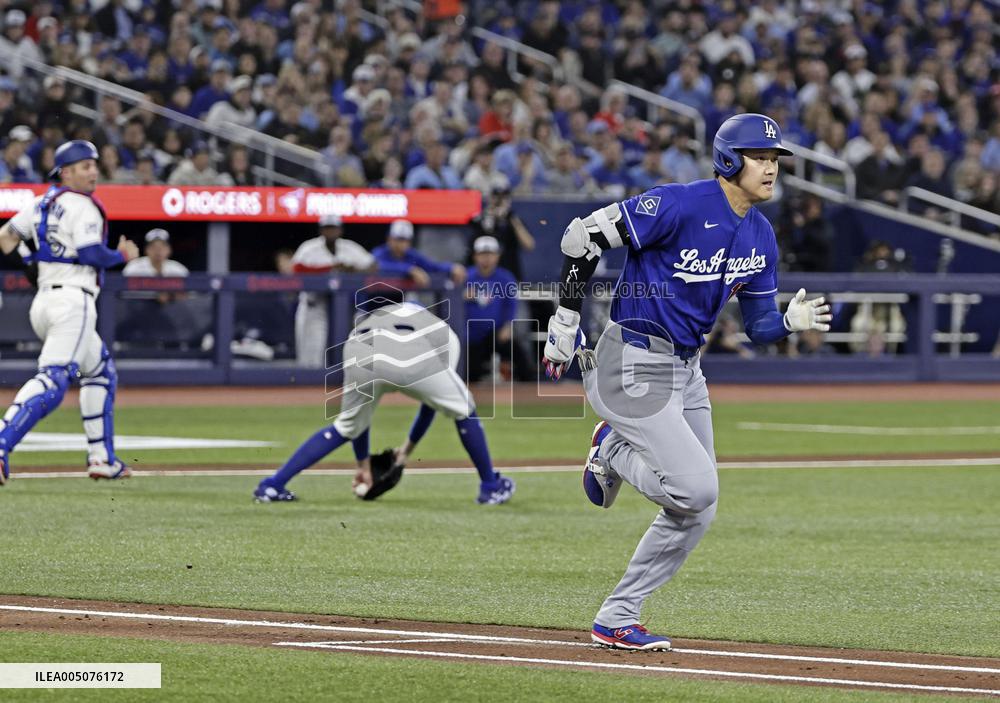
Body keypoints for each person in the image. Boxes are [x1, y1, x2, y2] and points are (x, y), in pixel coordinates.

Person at [541, 113, 830, 650]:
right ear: (728, 160)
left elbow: (759, 326)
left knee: (699, 507)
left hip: (687, 370)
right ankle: (612, 450)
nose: (770, 168)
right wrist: (564, 317)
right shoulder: (678, 204)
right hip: (631, 360)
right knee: (697, 489)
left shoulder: (761, 234)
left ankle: (617, 616)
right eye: (759, 158)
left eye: (774, 159)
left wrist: (789, 323)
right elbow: (581, 237)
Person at [253, 296, 515, 505]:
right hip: (411, 350)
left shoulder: (381, 315)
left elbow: (361, 421)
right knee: (465, 409)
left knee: (346, 426)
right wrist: (406, 452)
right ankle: (490, 486)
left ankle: (273, 485)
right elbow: (432, 405)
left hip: (358, 344)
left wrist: (363, 464)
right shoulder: (444, 333)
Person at [0, 140, 140, 484]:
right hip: (73, 303)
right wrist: (122, 256)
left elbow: (5, 237)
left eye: (93, 165)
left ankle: (102, 459)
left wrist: (29, 263)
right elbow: (92, 254)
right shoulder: (82, 205)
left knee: (100, 371)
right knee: (53, 380)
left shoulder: (40, 203)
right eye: (84, 166)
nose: (93, 171)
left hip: (46, 302)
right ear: (65, 172)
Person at [290, 214, 377, 369]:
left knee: (344, 355)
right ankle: (308, 383)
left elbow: (372, 265)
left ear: (340, 230)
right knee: (311, 357)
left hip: (342, 309)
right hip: (315, 306)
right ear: (321, 230)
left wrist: (353, 270)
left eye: (334, 228)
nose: (331, 231)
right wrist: (331, 269)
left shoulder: (349, 247)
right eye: (327, 228)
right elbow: (296, 270)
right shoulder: (309, 248)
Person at [464, 235, 531, 382]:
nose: (486, 259)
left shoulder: (506, 278)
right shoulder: (465, 276)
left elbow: (511, 305)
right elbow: (451, 302)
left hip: (496, 333)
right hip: (471, 335)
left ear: (497, 256)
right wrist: (461, 296)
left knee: (519, 355)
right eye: (482, 254)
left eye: (490, 254)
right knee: (470, 372)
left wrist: (507, 326)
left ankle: (531, 386)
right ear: (475, 256)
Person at [372, 220, 466, 288]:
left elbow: (432, 266)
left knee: (416, 304)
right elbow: (377, 266)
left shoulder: (411, 255)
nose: (401, 244)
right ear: (389, 239)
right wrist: (409, 269)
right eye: (398, 239)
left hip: (400, 301)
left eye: (405, 240)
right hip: (377, 301)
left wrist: (451, 267)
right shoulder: (380, 252)